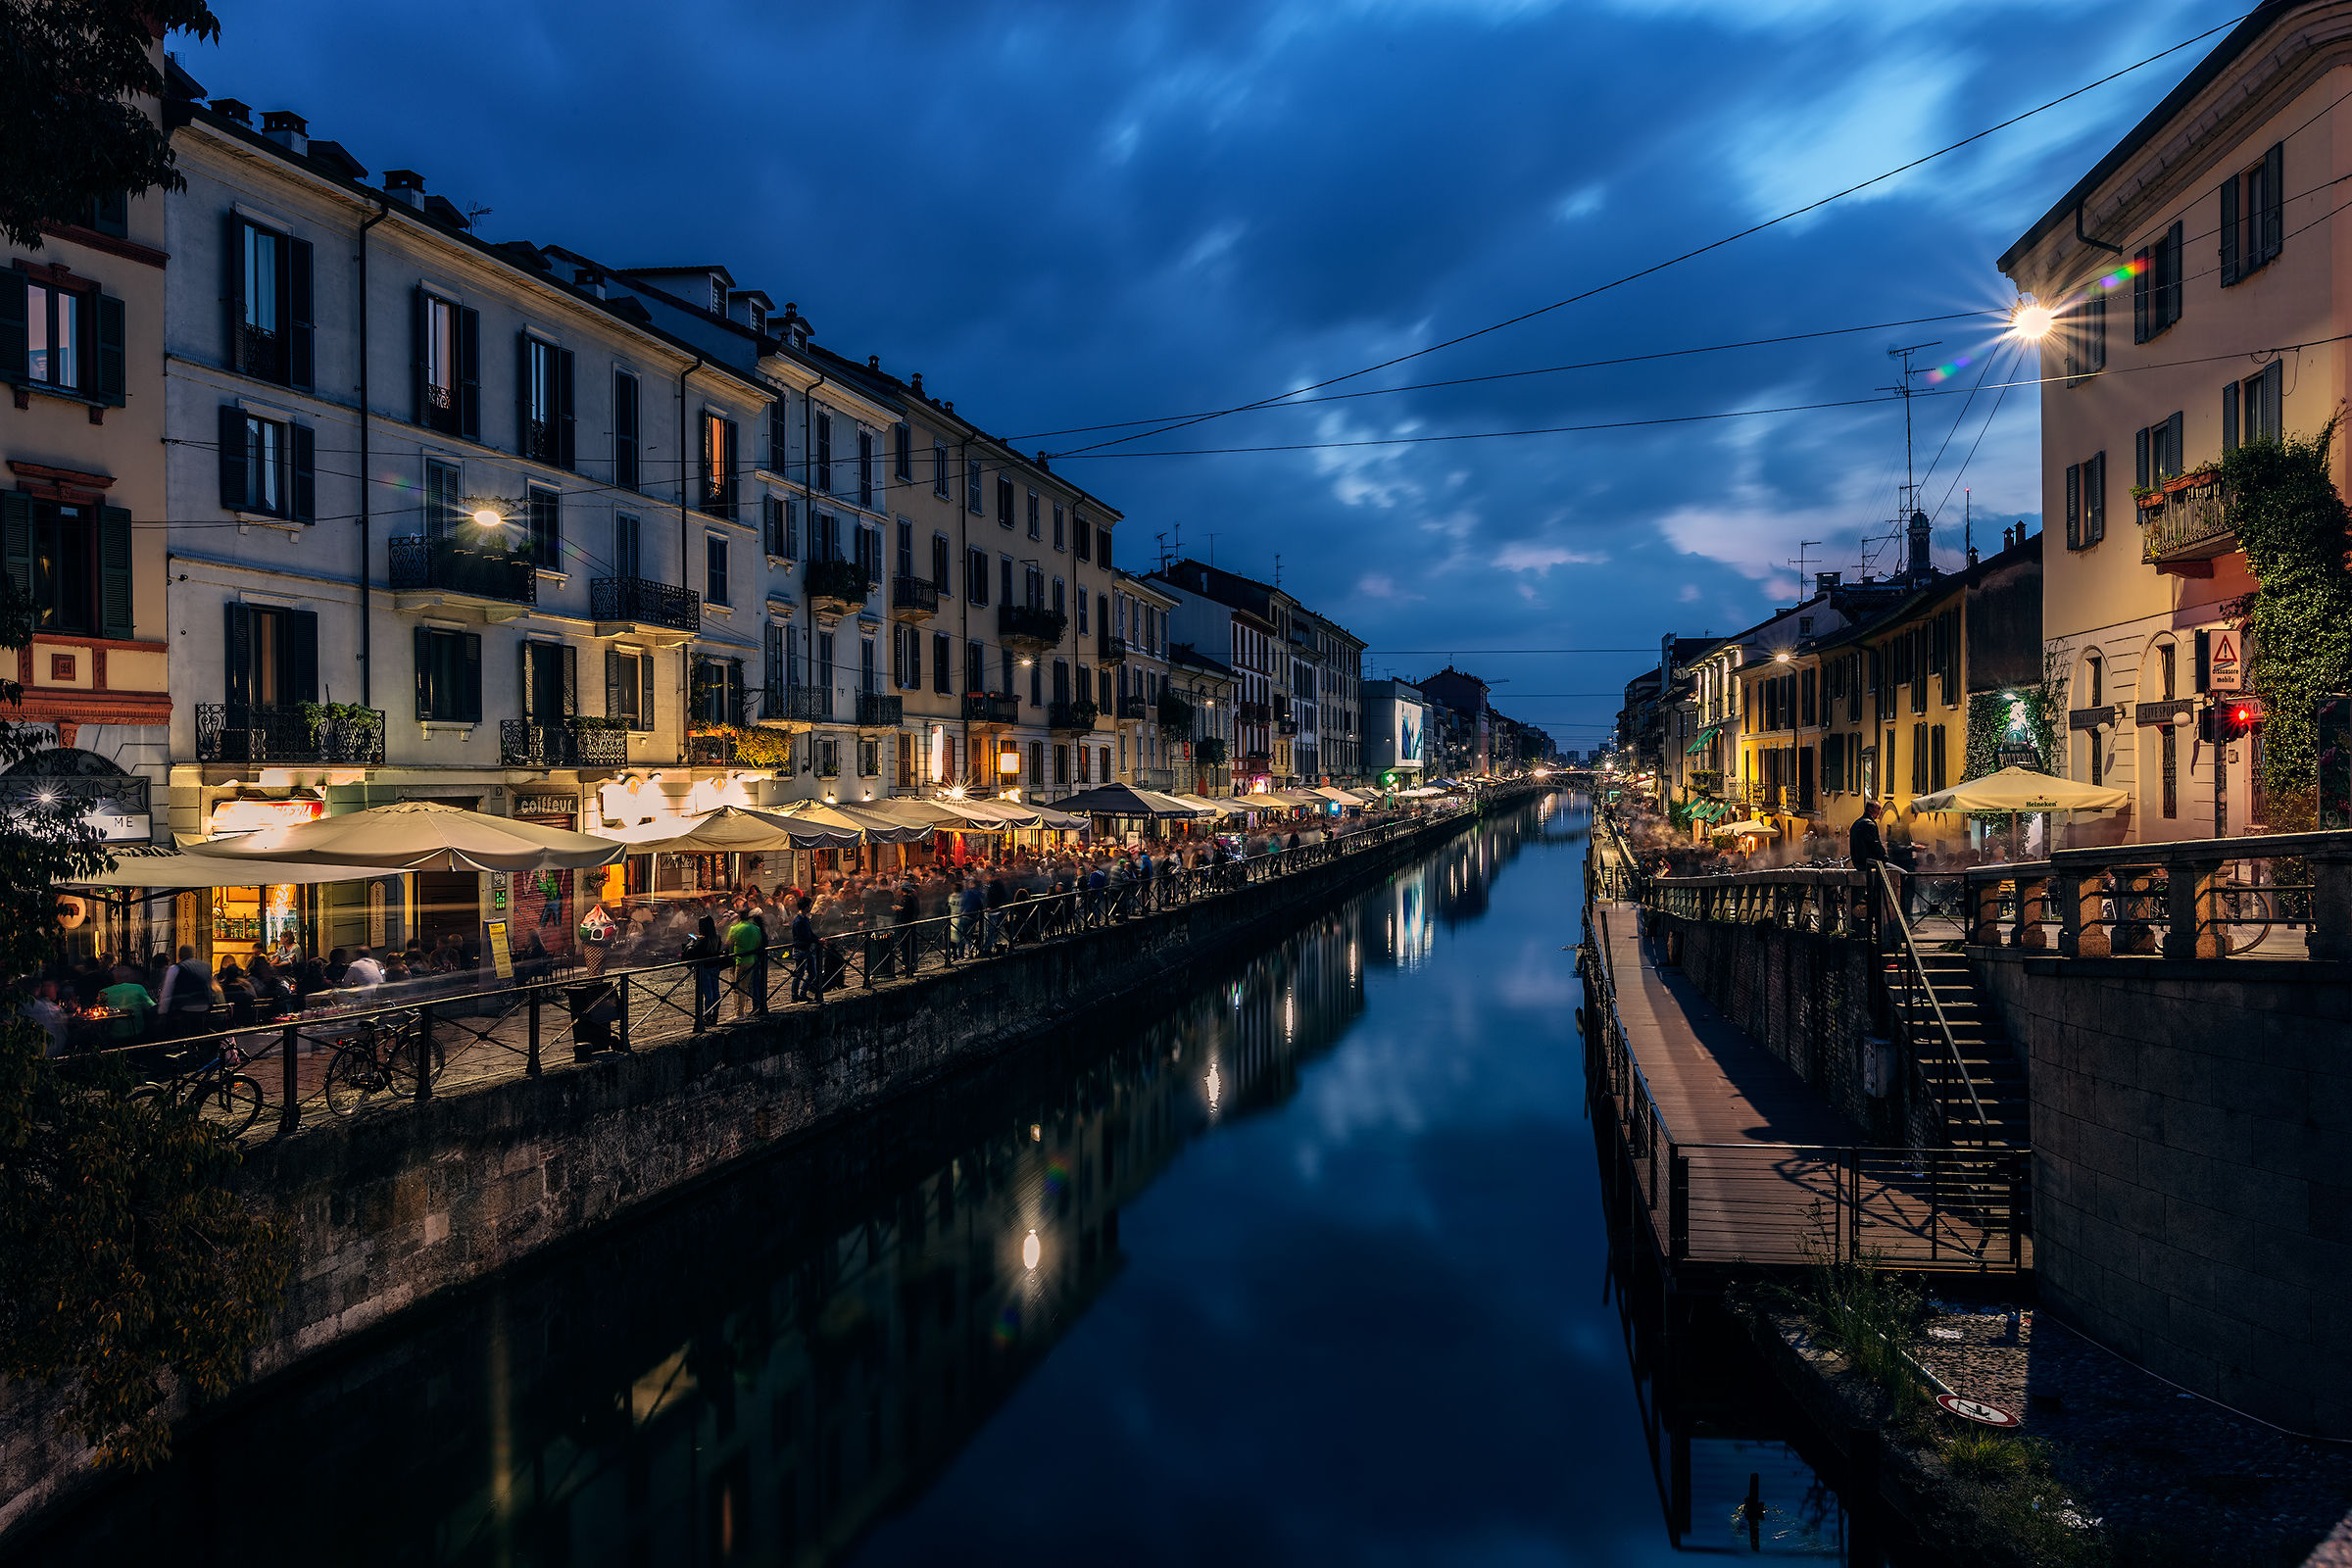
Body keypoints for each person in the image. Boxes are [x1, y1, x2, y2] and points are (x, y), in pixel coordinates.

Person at [157, 945, 217, 1036]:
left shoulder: (176, 968)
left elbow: (167, 991)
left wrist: (162, 1012)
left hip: (184, 1009)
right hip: (204, 1008)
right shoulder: (206, 966)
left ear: (179, 955)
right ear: (194, 954)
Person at [684, 915, 723, 1030]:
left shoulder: (701, 941)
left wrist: (692, 942)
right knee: (715, 991)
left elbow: (694, 953)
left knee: (708, 994)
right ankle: (715, 1015)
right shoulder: (717, 938)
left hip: (704, 969)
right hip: (715, 967)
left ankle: (706, 1017)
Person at [99, 964, 155, 1043]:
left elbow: (99, 1015)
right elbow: (152, 1007)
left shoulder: (103, 992)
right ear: (128, 977)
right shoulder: (138, 988)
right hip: (135, 1034)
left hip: (111, 1037)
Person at [725, 906, 761, 1018]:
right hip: (751, 960)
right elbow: (758, 943)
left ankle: (739, 1012)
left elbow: (728, 943)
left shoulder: (734, 928)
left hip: (739, 961)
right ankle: (744, 1009)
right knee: (745, 986)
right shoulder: (756, 928)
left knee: (737, 987)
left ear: (739, 917)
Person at [790, 896, 824, 1004]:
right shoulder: (799, 920)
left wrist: (818, 939)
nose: (810, 908)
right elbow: (804, 936)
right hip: (800, 950)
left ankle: (802, 993)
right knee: (799, 973)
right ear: (805, 907)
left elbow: (809, 934)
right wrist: (817, 940)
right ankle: (795, 995)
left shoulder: (804, 919)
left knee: (812, 973)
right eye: (809, 906)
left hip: (806, 949)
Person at [20, 980, 67, 1057]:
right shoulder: (51, 1008)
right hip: (55, 1055)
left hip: (41, 1056)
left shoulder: (46, 1006)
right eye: (46, 986)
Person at [1848, 804, 1886, 868]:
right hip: (1871, 863)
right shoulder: (1869, 824)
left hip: (1858, 864)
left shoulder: (1856, 823)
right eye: (1878, 808)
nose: (1880, 811)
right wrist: (1884, 857)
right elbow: (1875, 845)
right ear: (1870, 809)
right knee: (1902, 873)